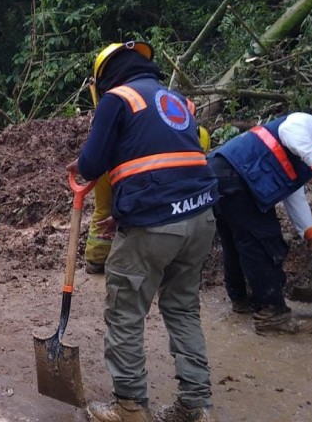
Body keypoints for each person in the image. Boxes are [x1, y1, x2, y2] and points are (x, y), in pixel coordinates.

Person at [67, 41, 218, 422]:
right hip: (200, 217)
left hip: (153, 223)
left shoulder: (116, 100)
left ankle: (130, 406)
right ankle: (196, 405)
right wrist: (124, 209)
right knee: (183, 308)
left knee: (125, 311)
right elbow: (165, 159)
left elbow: (92, 162)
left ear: (103, 78)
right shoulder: (173, 98)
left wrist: (81, 164)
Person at [208, 112, 312, 335]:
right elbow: (289, 131)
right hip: (239, 178)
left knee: (237, 243)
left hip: (221, 175)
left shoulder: (302, 155)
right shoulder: (310, 124)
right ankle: (273, 315)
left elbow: (294, 195)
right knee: (263, 242)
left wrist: (310, 233)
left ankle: (242, 299)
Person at [85, 125, 212, 275]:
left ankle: (96, 259)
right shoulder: (176, 153)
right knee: (119, 212)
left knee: (104, 210)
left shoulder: (161, 132)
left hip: (107, 161)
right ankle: (116, 260)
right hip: (124, 169)